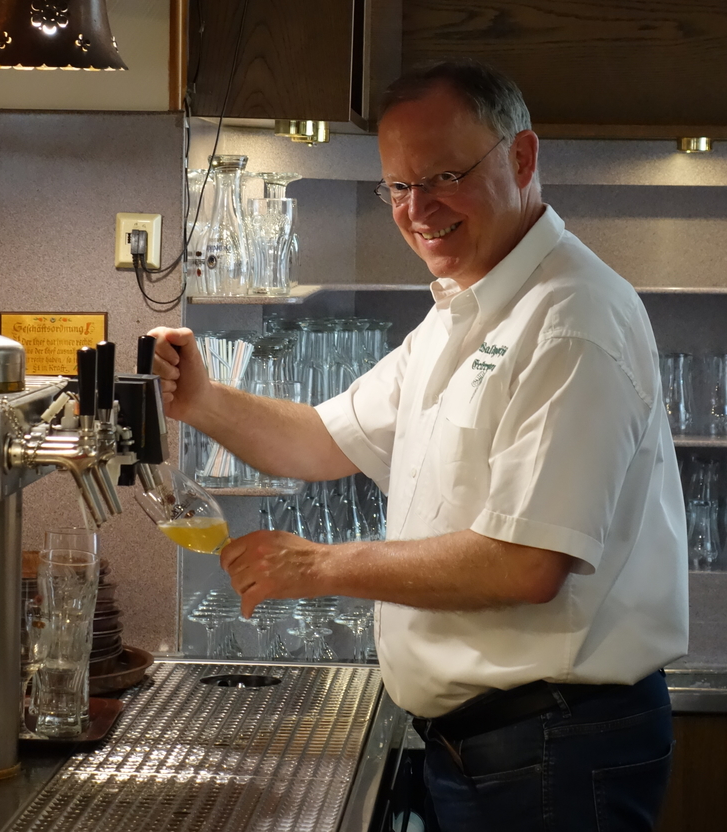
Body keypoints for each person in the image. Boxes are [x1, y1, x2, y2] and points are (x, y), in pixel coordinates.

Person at [150, 60, 688, 832]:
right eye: (398, 187)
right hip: (493, 748)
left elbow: (527, 562)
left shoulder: (571, 320)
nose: (418, 209)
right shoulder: (463, 311)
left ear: (524, 158)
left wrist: (321, 565)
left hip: (555, 750)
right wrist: (200, 400)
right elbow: (321, 441)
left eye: (441, 176)